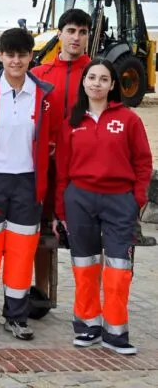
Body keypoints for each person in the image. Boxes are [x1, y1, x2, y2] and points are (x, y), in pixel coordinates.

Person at [55, 59, 152, 355]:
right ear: (84, 82)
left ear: (112, 86)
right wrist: (61, 211)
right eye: (92, 77)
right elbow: (62, 171)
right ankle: (87, 326)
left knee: (119, 268)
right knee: (84, 266)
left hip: (119, 202)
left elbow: (143, 162)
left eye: (104, 79)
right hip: (79, 201)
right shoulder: (71, 123)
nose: (96, 83)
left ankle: (116, 331)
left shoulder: (128, 119)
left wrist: (135, 200)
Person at [0, 28, 55, 341]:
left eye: (22, 54)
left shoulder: (45, 95)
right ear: (0, 56)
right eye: (10, 54)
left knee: (21, 253)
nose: (16, 60)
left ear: (31, 56)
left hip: (28, 184)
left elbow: (53, 141)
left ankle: (16, 317)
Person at [29, 8, 91, 301]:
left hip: (82, 167)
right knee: (41, 230)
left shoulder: (97, 73)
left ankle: (88, 298)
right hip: (46, 166)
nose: (76, 38)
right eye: (71, 31)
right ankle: (40, 291)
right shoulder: (40, 74)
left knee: (85, 233)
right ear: (60, 33)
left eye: (82, 32)